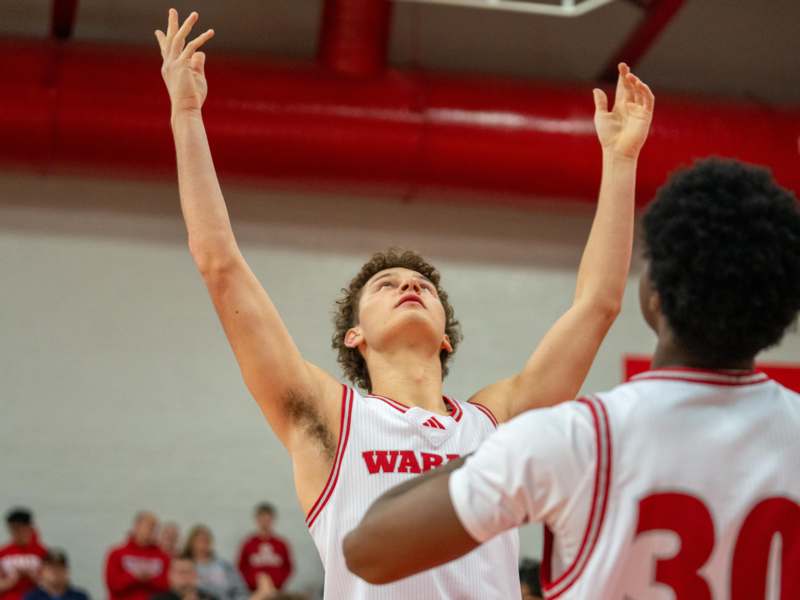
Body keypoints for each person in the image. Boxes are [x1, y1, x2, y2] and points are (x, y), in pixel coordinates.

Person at [154, 7, 653, 598]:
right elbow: (220, 265)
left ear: (446, 335)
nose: (409, 286)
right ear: (354, 336)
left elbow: (596, 306)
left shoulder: (494, 420)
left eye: (422, 287)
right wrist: (186, 115)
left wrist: (620, 161)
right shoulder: (329, 418)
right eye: (385, 286)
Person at [343, 158, 800, 598]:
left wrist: (500, 450)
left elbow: (367, 551)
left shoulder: (577, 437)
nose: (409, 288)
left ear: (655, 294)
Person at [105, 512, 170, 600]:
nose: (153, 531)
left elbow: (168, 585)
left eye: (156, 528)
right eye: (150, 526)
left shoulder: (163, 557)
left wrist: (149, 579)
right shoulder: (117, 554)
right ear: (137, 526)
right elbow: (113, 584)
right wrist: (134, 576)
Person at [182, 525, 248, 600]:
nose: (204, 544)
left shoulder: (223, 564)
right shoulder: (185, 566)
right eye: (200, 540)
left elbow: (240, 590)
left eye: (207, 540)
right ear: (191, 543)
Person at [236, 506, 292, 593]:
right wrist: (253, 582)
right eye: (262, 520)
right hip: (253, 590)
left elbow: (288, 567)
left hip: (276, 590)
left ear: (272, 520)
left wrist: (277, 582)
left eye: (267, 520)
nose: (265, 523)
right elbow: (241, 567)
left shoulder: (281, 544)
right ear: (257, 520)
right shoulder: (248, 543)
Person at [0, 509, 48, 600]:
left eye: (20, 528)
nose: (16, 533)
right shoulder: (3, 553)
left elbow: (52, 585)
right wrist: (12, 580)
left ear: (29, 527)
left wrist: (32, 576)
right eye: (13, 529)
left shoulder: (42, 553)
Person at [23, 550, 89, 600]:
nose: (56, 571)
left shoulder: (80, 597)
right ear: (42, 572)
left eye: (60, 567)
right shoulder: (32, 598)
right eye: (51, 568)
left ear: (67, 571)